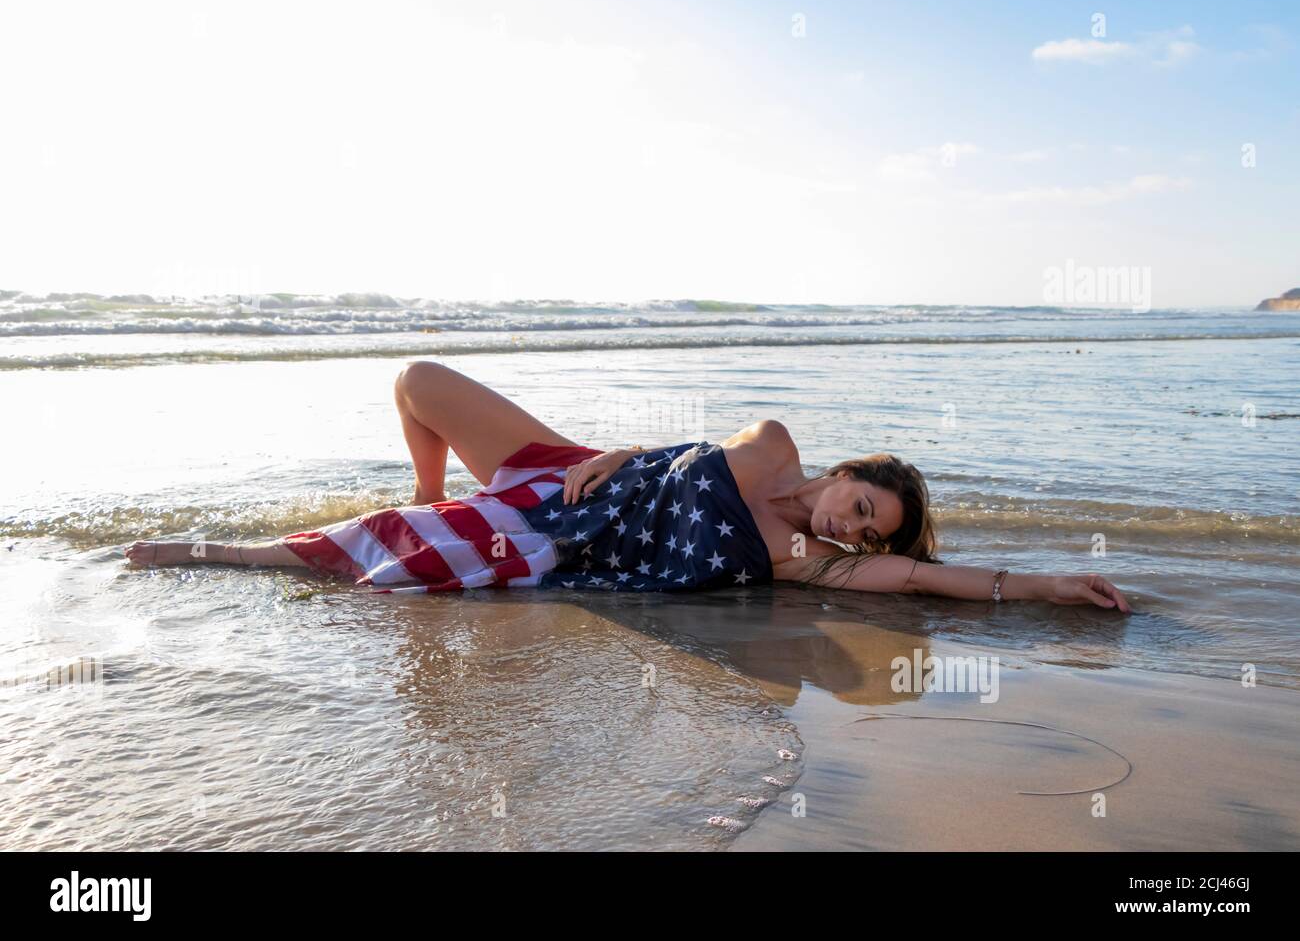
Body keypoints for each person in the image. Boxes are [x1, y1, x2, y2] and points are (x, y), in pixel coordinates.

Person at [125, 361, 1131, 610]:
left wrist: (1046, 587)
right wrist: (624, 453)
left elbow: (923, 581)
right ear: (844, 470)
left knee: (395, 552)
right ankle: (424, 490)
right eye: (859, 502)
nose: (849, 525)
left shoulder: (802, 565)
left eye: (866, 531)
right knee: (419, 382)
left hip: (558, 538)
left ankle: (223, 552)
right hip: (574, 470)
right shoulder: (774, 444)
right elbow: (694, 449)